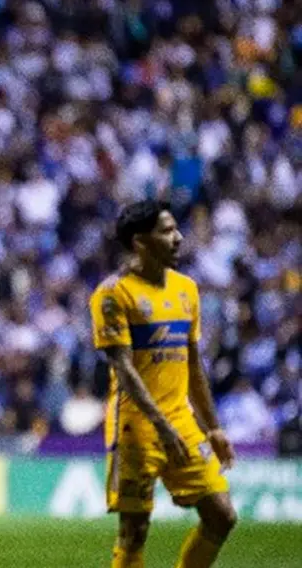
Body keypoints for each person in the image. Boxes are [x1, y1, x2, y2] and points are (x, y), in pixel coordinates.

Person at [89, 200, 238, 568]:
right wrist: (159, 423)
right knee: (134, 532)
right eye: (167, 231)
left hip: (181, 422)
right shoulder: (113, 294)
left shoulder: (186, 289)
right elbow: (124, 369)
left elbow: (192, 363)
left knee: (222, 515)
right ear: (140, 242)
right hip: (137, 427)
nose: (178, 238)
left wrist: (214, 427)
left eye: (176, 229)